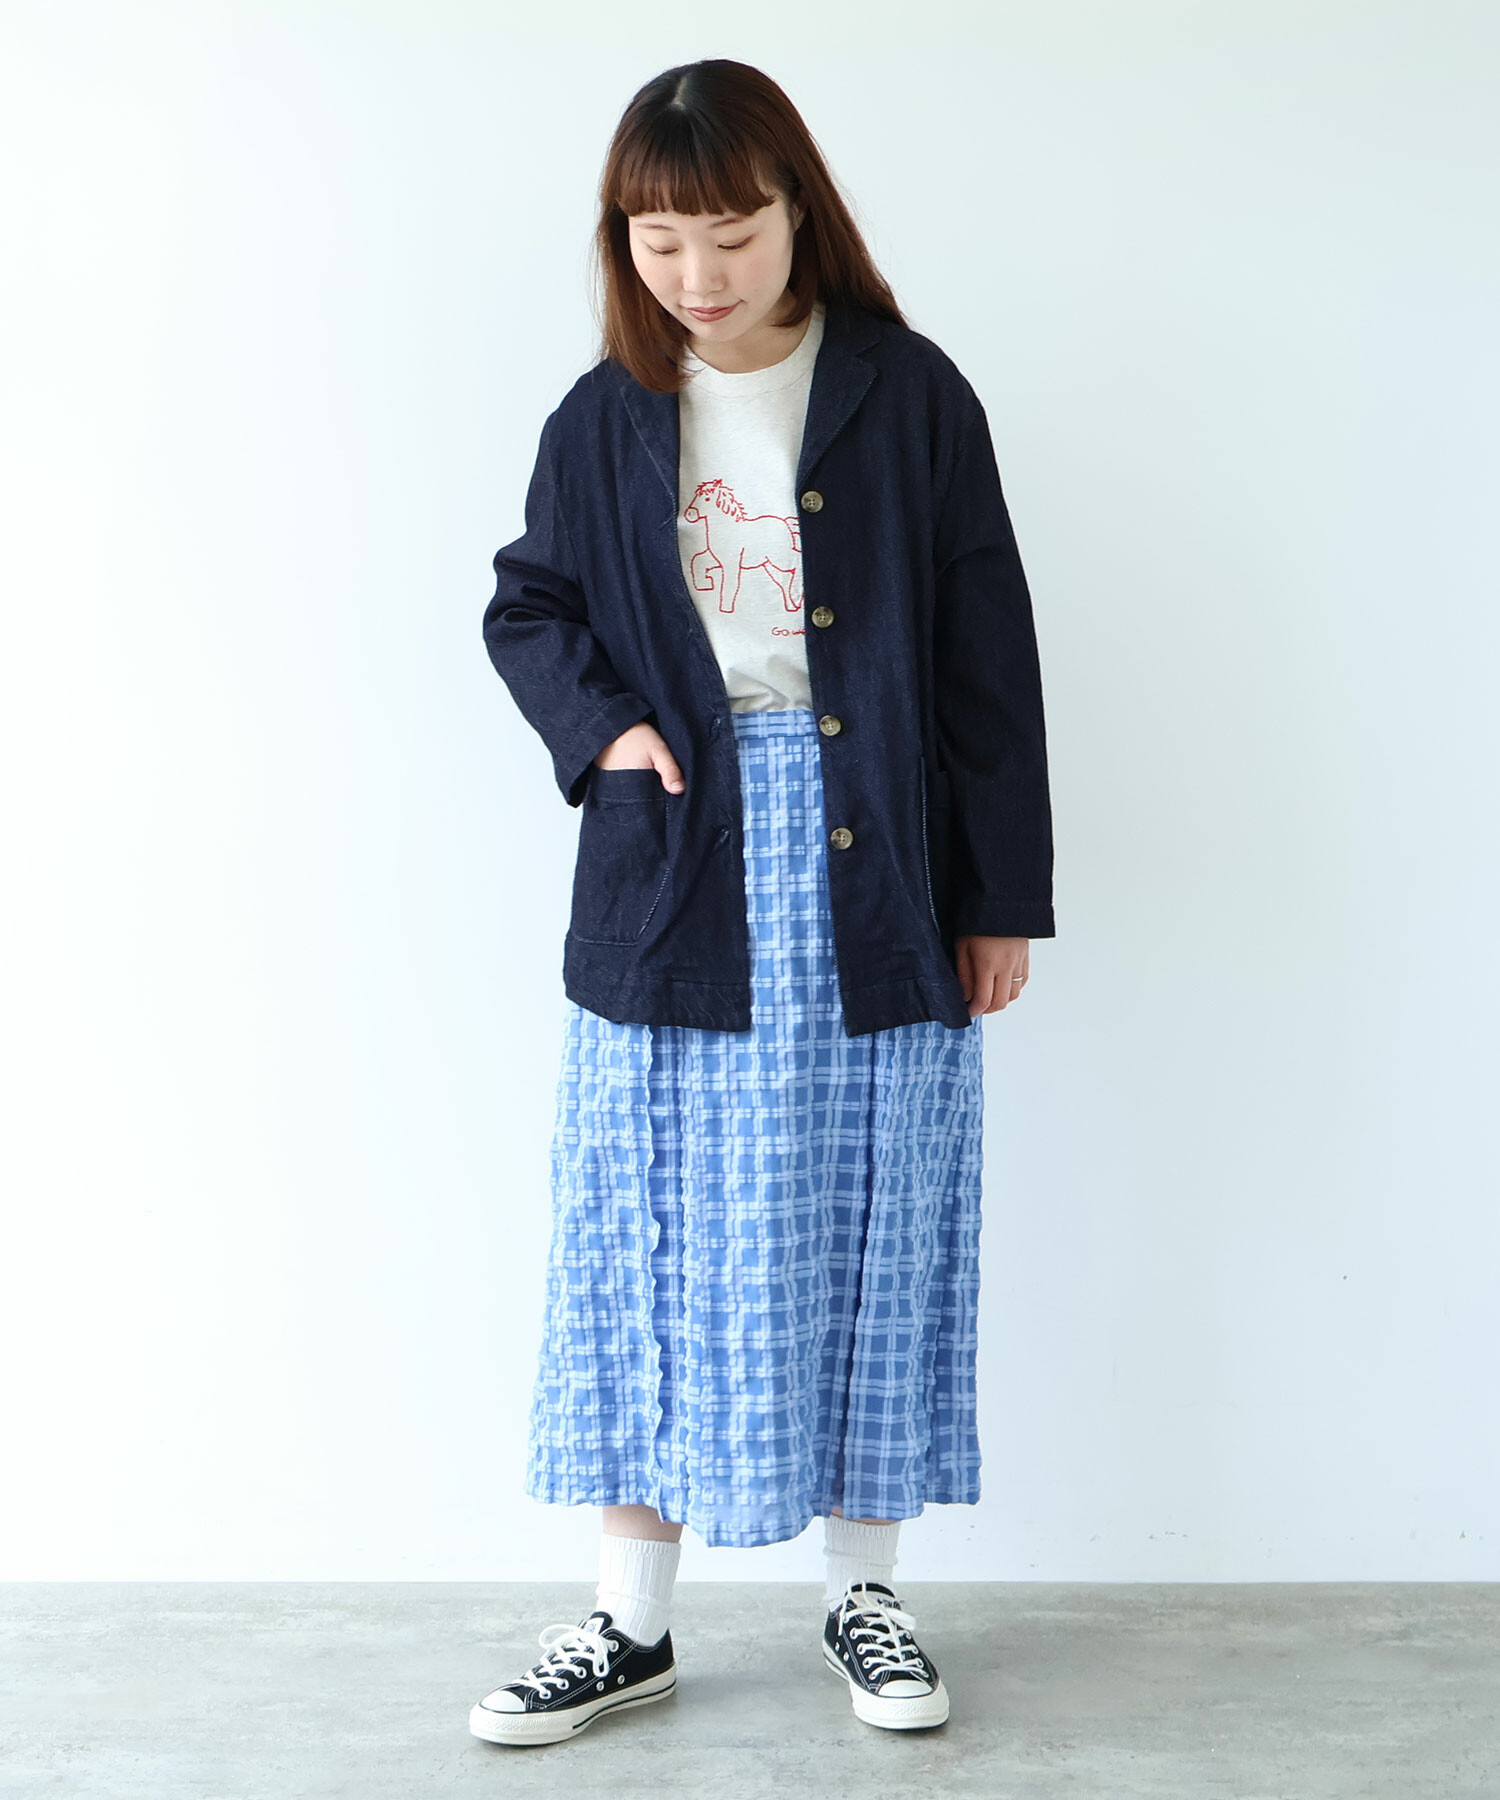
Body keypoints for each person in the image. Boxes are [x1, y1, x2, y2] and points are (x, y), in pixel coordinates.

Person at [470, 58, 1055, 1748]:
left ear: (800, 210)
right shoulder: (602, 415)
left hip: (879, 860)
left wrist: (999, 895)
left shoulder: (906, 394)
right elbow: (527, 606)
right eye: (660, 242)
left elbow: (987, 654)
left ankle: (864, 1595)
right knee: (643, 1223)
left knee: (872, 1214)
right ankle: (627, 1621)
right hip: (677, 864)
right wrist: (608, 730)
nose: (698, 275)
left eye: (729, 233)